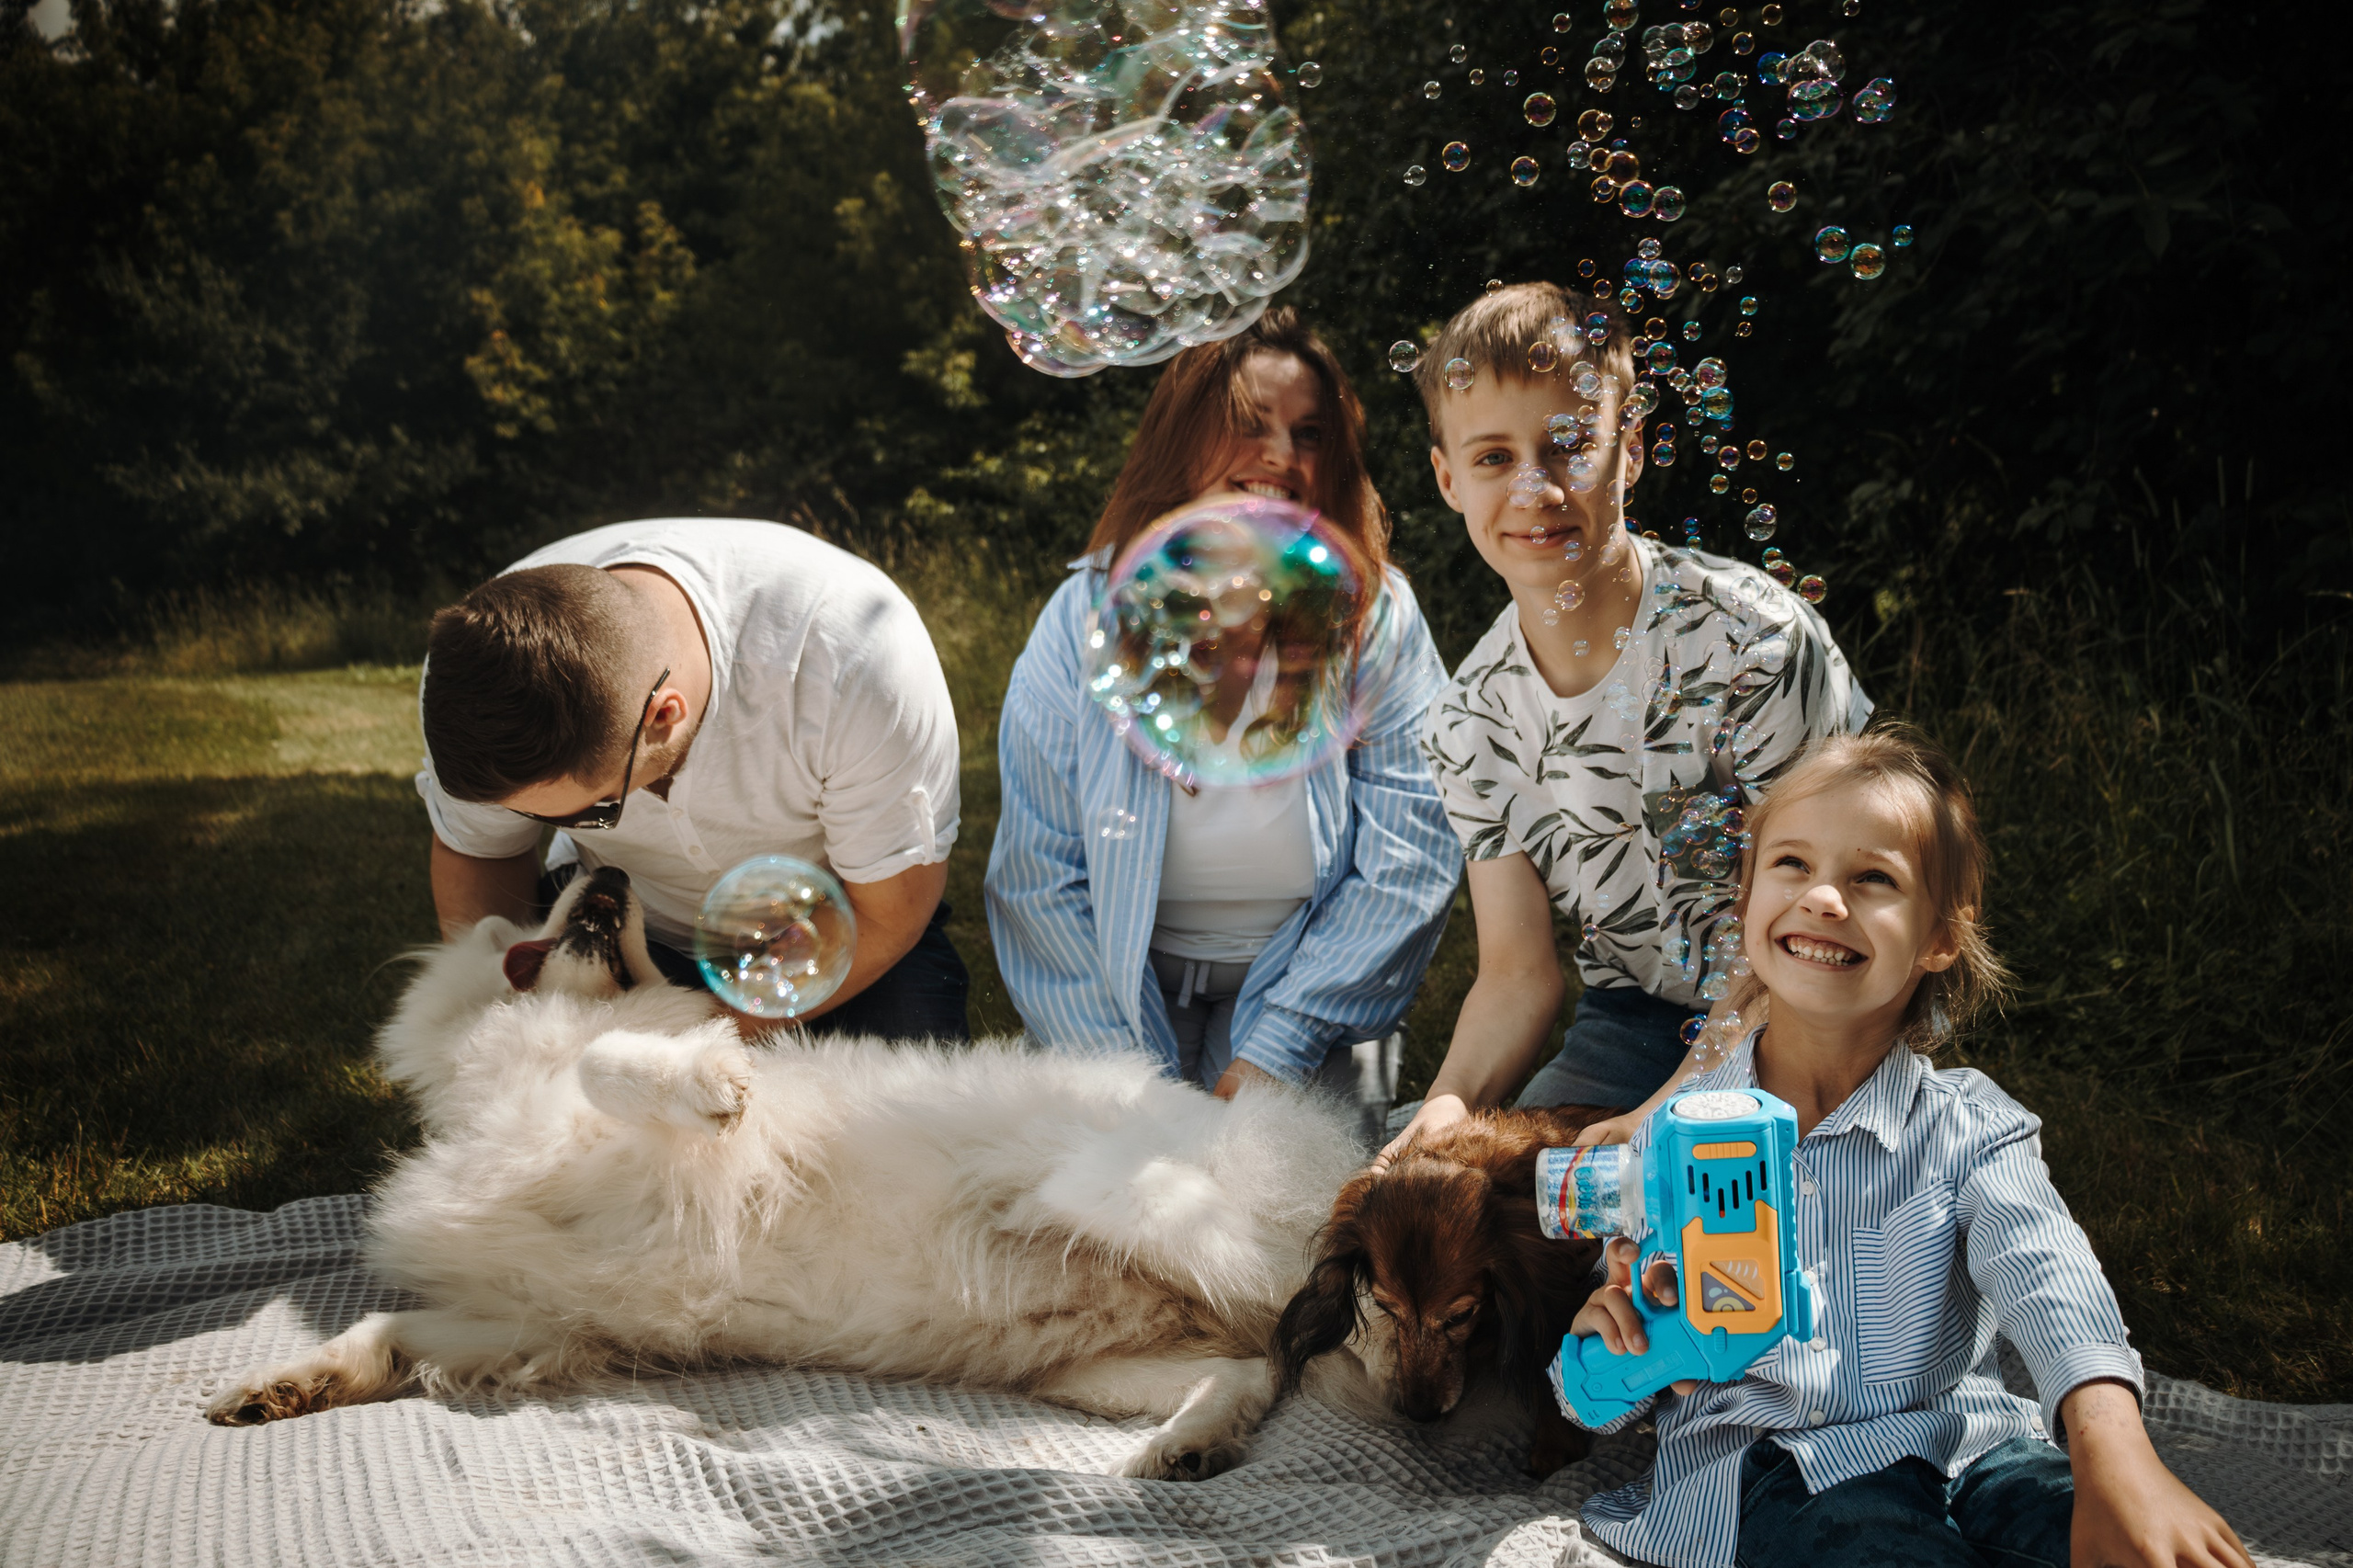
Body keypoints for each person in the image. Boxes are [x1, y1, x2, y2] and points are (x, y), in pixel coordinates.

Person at [1562, 725, 2252, 1568]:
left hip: (1975, 1450)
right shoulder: (1674, 1144)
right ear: (1743, 903)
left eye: (1873, 878)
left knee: (2114, 1538)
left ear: (1939, 939)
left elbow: (2047, 1271)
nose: (1822, 898)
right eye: (1792, 865)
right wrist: (1608, 1337)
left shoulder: (1970, 1126)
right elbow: (1604, 1389)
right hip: (1780, 1467)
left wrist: (2117, 1453)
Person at [1379, 281, 1871, 1165]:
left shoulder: (1753, 644)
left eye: (1568, 444)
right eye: (1493, 457)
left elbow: (1824, 913)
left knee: (1718, 1221)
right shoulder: (1467, 721)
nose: (1534, 486)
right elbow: (1518, 975)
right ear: (1447, 478)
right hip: (1639, 1015)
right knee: (1504, 1219)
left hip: (1822, 995)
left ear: (1630, 450)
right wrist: (1449, 1103)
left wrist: (1674, 1113)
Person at [985, 308, 1460, 1131]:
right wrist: (1126, 1086)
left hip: (1313, 995)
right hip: (1116, 992)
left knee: (1299, 1228)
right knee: (1113, 1220)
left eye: (1309, 435)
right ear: (1184, 440)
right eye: (1249, 426)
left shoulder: (1373, 617)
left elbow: (1410, 856)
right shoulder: (1084, 616)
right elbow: (1038, 876)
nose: (1281, 457)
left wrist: (1281, 1046)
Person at [416, 517, 971, 1040]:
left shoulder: (854, 663)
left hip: (836, 922)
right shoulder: (482, 671)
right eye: (530, 817)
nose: (547, 827)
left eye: (596, 810)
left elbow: (889, 913)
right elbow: (479, 853)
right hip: (613, 921)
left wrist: (695, 1038)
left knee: (906, 1111)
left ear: (663, 715)